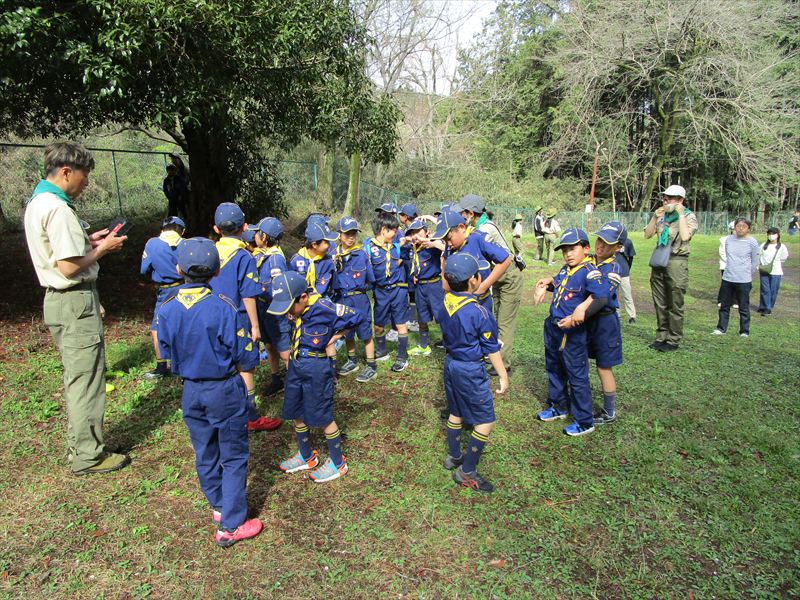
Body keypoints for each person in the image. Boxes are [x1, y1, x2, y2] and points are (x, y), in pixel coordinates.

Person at [24, 142, 130, 475]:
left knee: (78, 377)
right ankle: (88, 456)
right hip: (72, 299)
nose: (85, 184)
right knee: (87, 380)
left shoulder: (38, 202)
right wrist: (104, 249)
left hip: (59, 302)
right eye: (83, 177)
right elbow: (69, 267)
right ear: (66, 171)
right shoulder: (58, 208)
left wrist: (90, 241)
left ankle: (81, 446)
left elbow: (62, 252)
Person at [156, 237, 263, 547]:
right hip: (223, 389)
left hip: (190, 391)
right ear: (217, 271)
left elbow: (164, 348)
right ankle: (231, 525)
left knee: (204, 451)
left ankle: (218, 504)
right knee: (233, 455)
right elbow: (245, 354)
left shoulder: (167, 307)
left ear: (178, 268)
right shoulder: (223, 306)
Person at [268, 271, 366, 482]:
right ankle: (306, 456)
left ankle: (338, 463)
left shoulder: (325, 307)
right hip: (296, 365)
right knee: (296, 411)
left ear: (303, 297)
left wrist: (336, 337)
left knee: (322, 415)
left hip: (316, 367)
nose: (287, 312)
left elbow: (358, 316)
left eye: (288, 307)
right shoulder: (298, 307)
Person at [437, 253, 508, 493]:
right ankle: (467, 470)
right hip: (470, 369)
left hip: (451, 364)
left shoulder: (444, 303)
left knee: (456, 411)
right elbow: (491, 349)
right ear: (474, 280)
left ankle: (454, 456)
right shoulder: (480, 313)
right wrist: (503, 376)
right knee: (486, 420)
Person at [211, 202, 280, 432]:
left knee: (221, 366)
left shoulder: (209, 252)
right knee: (245, 368)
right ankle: (250, 417)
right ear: (245, 227)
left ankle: (220, 413)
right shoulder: (243, 256)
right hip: (238, 319)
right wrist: (255, 326)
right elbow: (248, 294)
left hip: (211, 318)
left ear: (216, 229)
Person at [533, 228, 609, 437]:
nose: (568, 253)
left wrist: (581, 313)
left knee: (576, 375)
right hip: (553, 327)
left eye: (573, 248)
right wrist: (546, 282)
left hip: (572, 332)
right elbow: (559, 285)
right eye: (565, 250)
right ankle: (558, 406)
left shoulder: (590, 271)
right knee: (554, 368)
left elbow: (601, 297)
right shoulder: (567, 269)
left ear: (585, 248)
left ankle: (584, 420)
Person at [454, 195, 520, 376]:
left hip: (508, 276)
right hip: (495, 275)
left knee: (504, 321)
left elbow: (498, 258)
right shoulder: (476, 227)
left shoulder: (484, 229)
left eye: (462, 212)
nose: (460, 215)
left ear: (470, 213)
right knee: (495, 319)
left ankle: (503, 365)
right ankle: (494, 355)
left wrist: (482, 287)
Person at [643, 185, 699, 352]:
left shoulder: (688, 216)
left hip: (676, 260)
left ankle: (673, 339)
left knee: (675, 301)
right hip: (660, 259)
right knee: (660, 301)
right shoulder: (662, 216)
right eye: (665, 197)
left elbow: (685, 236)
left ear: (681, 200)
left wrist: (680, 214)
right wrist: (654, 218)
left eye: (671, 197)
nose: (666, 200)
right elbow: (647, 234)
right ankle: (661, 336)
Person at [431, 209, 511, 313]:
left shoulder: (477, 239)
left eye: (449, 238)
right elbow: (444, 262)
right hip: (458, 304)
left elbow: (505, 259)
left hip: (480, 303)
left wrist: (484, 286)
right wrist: (446, 288)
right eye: (445, 240)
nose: (448, 243)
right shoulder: (450, 247)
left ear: (461, 227)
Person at [332, 216, 379, 383]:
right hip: (341, 299)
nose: (351, 237)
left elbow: (371, 279)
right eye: (347, 234)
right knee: (347, 331)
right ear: (339, 235)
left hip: (359, 299)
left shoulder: (361, 255)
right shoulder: (333, 255)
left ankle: (371, 365)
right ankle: (352, 360)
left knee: (365, 332)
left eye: (353, 233)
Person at [588, 222, 626, 425]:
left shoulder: (613, 269)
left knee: (604, 366)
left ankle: (609, 411)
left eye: (607, 243)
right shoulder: (590, 261)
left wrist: (579, 314)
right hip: (588, 320)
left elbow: (600, 298)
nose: (601, 245)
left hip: (605, 322)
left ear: (618, 247)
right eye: (599, 239)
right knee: (580, 359)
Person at [140, 216, 185, 380]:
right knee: (182, 324)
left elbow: (144, 269)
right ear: (182, 231)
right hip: (183, 288)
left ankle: (161, 365)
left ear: (163, 229)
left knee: (157, 327)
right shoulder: (185, 244)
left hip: (164, 291)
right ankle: (180, 364)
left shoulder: (152, 244)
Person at [250, 217, 291, 396]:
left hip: (274, 311)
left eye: (257, 233)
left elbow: (279, 288)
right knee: (269, 346)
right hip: (262, 309)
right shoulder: (261, 254)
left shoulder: (275, 259)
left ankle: (296, 380)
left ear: (264, 237)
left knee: (283, 349)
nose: (254, 236)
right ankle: (276, 378)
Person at [367, 211, 411, 372]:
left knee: (400, 323)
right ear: (384, 229)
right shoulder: (368, 247)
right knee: (378, 325)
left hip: (398, 290)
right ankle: (382, 350)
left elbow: (399, 260)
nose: (396, 233)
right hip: (380, 292)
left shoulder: (396, 247)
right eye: (393, 230)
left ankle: (402, 356)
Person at [712, 217, 760, 337]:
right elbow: (729, 256)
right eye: (738, 226)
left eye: (743, 226)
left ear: (748, 228)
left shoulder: (752, 242)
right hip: (728, 278)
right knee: (724, 305)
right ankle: (721, 328)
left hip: (743, 279)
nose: (740, 228)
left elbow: (755, 260)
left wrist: (747, 272)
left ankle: (744, 330)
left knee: (743, 306)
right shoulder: (729, 240)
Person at [405, 219, 444, 356]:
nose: (415, 235)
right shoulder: (413, 249)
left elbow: (445, 247)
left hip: (434, 286)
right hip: (420, 287)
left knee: (442, 317)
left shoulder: (432, 246)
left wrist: (431, 241)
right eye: (412, 232)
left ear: (427, 232)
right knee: (422, 317)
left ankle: (450, 343)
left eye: (418, 231)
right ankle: (423, 345)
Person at [289, 221, 338, 298]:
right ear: (314, 244)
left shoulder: (328, 263)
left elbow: (330, 287)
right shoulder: (296, 260)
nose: (329, 245)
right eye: (326, 242)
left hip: (318, 302)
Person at [757, 227, 789, 316]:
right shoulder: (764, 245)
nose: (771, 236)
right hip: (764, 270)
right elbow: (758, 255)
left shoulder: (781, 246)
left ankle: (768, 306)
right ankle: (764, 307)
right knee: (765, 289)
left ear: (778, 235)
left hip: (776, 271)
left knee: (773, 290)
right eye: (769, 234)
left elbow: (784, 257)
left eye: (773, 234)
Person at [616, 235, 637, 324]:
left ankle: (632, 316)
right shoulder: (610, 242)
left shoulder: (628, 242)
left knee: (627, 295)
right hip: (613, 272)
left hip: (624, 272)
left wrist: (628, 268)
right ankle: (617, 315)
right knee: (614, 295)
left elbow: (631, 257)